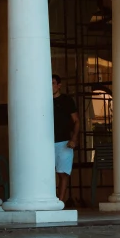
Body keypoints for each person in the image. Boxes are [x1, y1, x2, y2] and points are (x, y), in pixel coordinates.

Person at [52, 74, 80, 204]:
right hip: (46, 143)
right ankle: (51, 200)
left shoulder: (67, 100)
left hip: (64, 142)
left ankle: (60, 201)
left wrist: (73, 139)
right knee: (48, 173)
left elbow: (76, 121)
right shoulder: (43, 99)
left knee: (62, 173)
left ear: (59, 85)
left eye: (53, 83)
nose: (51, 87)